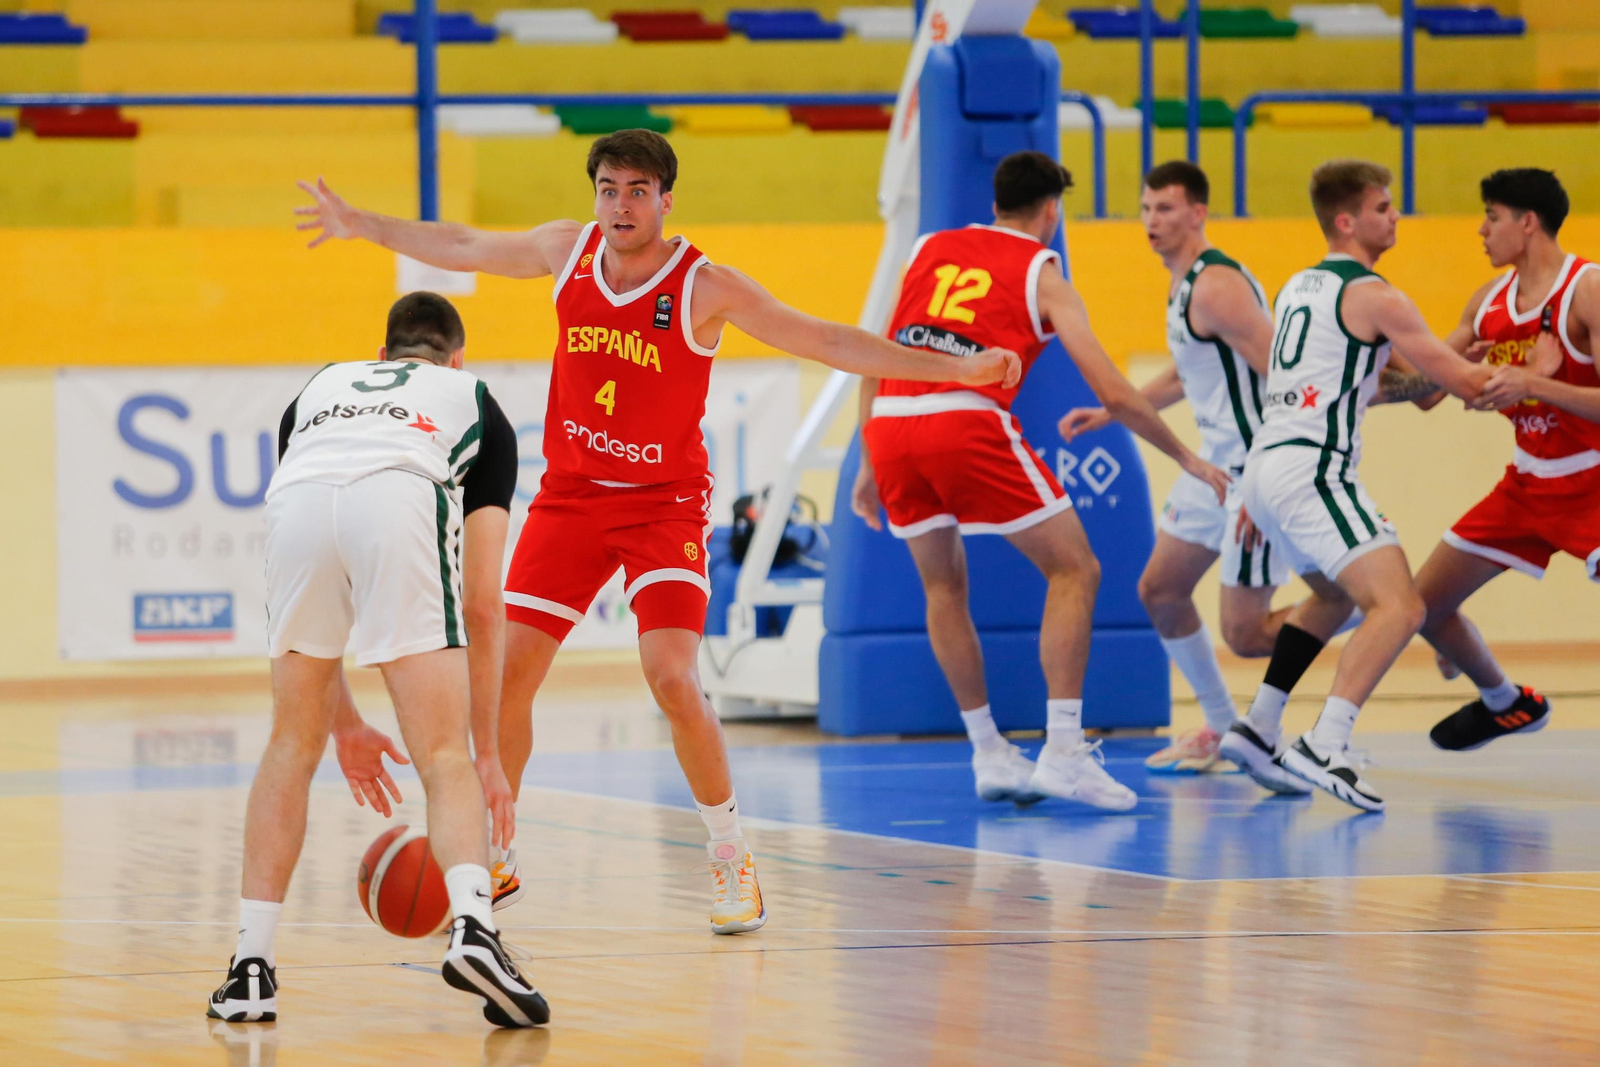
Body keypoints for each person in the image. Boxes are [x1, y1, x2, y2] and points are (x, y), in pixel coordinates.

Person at [295, 129, 1022, 935]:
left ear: (666, 200)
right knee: (503, 680)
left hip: (662, 504)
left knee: (672, 677)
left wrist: (956, 369)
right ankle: (497, 854)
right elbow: (462, 244)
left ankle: (729, 850)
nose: (620, 205)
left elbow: (825, 339)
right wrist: (361, 223)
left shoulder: (706, 286)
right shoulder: (566, 251)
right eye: (608, 189)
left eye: (637, 191)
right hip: (572, 499)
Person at [849, 151, 1229, 811]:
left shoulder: (928, 249)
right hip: (961, 418)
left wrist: (866, 461)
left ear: (995, 203)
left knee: (942, 587)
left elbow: (875, 350)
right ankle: (1064, 752)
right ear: (1052, 210)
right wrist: (1184, 456)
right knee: (1075, 568)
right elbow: (1111, 387)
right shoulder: (1043, 272)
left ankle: (988, 752)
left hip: (890, 423)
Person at [207, 293, 549, 1028]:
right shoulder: (473, 400)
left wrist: (346, 727)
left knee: (288, 743)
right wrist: (489, 754)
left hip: (299, 506)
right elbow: (483, 602)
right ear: (456, 358)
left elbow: (327, 534)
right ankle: (474, 928)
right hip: (400, 496)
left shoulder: (317, 390)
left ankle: (249, 969)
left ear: (383, 353)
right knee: (444, 756)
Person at [1218, 161, 1491, 811]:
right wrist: (1528, 360)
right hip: (1312, 467)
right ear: (1347, 220)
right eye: (1383, 207)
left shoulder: (1299, 286)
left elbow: (1403, 389)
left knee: (1336, 597)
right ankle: (1327, 742)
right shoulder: (1376, 296)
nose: (1396, 216)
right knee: (1401, 606)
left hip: (1270, 468)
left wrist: (1455, 360)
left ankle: (1259, 725)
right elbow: (1462, 384)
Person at [1415, 168, 1600, 751]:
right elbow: (1424, 392)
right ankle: (1505, 701)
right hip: (1526, 488)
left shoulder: (1586, 289)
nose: (1481, 230)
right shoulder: (1487, 303)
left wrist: (1533, 384)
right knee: (1419, 608)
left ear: (1528, 223)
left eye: (1491, 217)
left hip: (1593, 482)